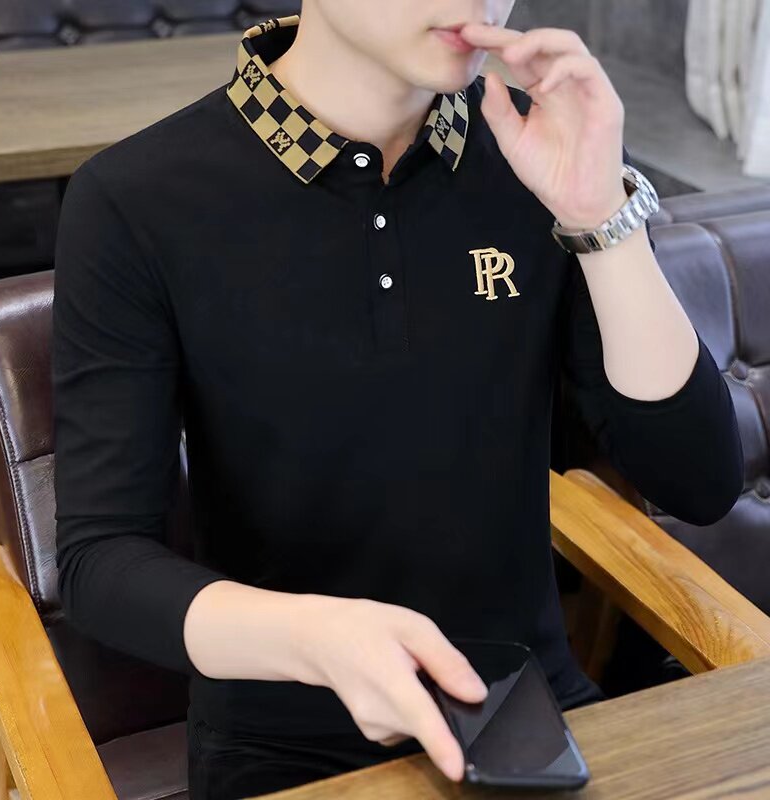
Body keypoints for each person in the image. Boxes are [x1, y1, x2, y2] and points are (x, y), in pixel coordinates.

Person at [51, 2, 744, 799]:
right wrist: (317, 637)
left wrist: (601, 220)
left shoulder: (535, 151)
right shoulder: (135, 198)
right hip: (280, 747)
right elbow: (101, 562)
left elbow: (698, 482)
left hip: (527, 714)